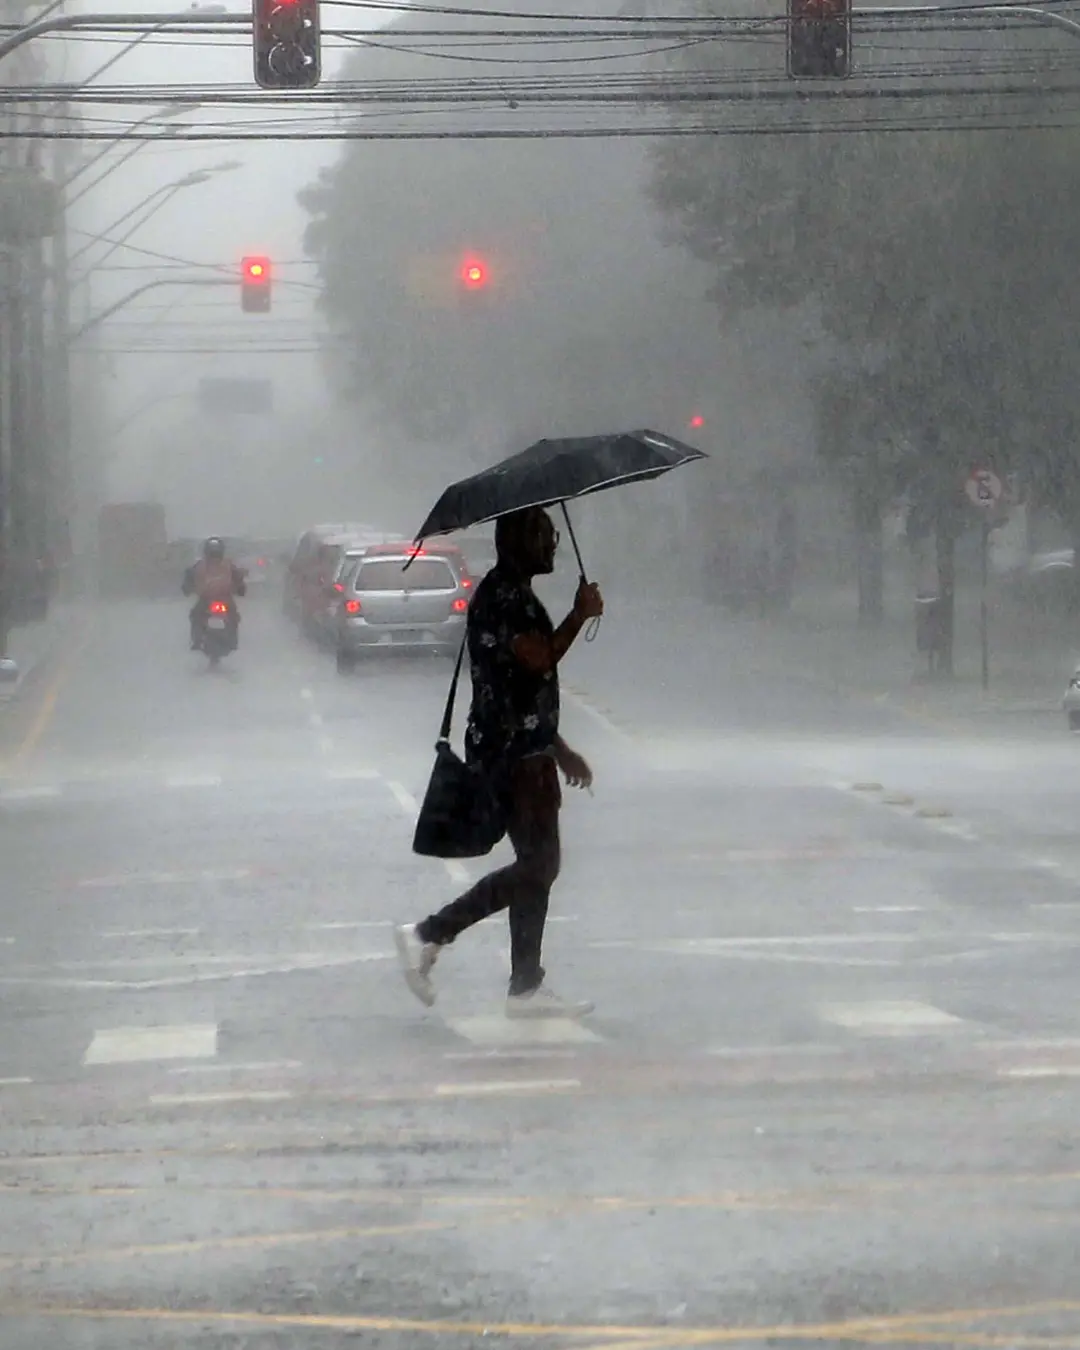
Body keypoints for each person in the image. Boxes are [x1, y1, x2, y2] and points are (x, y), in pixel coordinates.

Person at [394, 506, 604, 1019]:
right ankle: (429, 933)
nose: (553, 543)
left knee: (540, 865)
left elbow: (523, 688)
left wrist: (559, 748)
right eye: (543, 535)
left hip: (526, 749)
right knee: (540, 864)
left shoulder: (515, 593)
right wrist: (579, 614)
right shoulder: (502, 597)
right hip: (509, 756)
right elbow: (538, 658)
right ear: (515, 541)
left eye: (554, 535)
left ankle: (525, 986)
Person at [182, 537, 246, 650]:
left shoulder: (228, 565)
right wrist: (187, 587)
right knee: (196, 615)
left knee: (233, 616)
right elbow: (190, 577)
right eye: (212, 553)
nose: (214, 556)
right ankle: (198, 639)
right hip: (208, 598)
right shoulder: (200, 566)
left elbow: (238, 578)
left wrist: (241, 587)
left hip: (222, 598)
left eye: (216, 553)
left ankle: (231, 639)